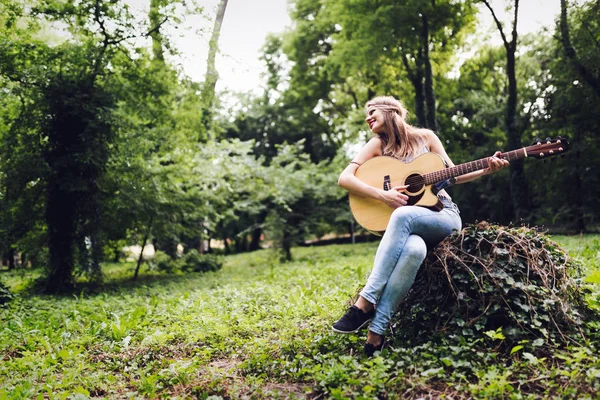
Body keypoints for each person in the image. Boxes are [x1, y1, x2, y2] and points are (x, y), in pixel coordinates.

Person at [332, 96, 509, 356]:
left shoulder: (426, 138)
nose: (368, 117)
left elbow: (454, 174)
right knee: (414, 251)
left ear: (390, 110)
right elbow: (344, 178)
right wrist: (382, 195)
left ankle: (364, 303)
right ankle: (375, 336)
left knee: (403, 215)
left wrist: (486, 170)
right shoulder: (377, 144)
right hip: (411, 229)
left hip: (443, 217)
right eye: (366, 114)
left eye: (372, 111)